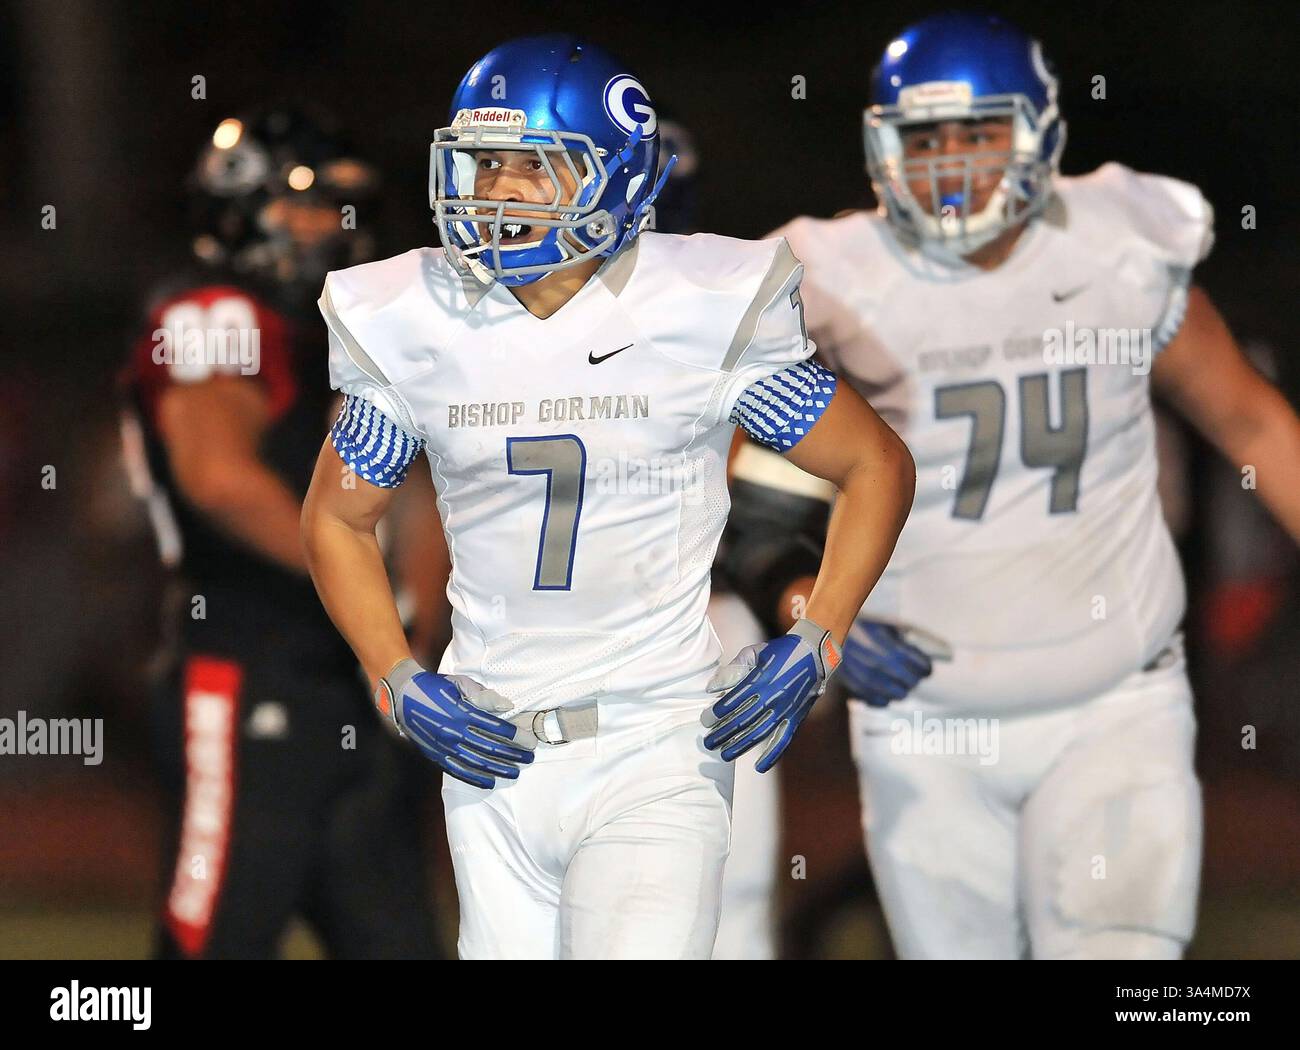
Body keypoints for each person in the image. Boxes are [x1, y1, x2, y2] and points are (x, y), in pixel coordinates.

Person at [300, 34, 916, 960]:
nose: (494, 192)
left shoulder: (697, 304)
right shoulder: (419, 319)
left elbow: (875, 465)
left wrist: (819, 633)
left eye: (531, 168)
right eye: (484, 165)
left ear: (617, 179)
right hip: (491, 757)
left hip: (654, 747)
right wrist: (394, 676)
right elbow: (339, 517)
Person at [772, 11, 1300, 959]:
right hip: (924, 713)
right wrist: (804, 592)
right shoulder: (832, 273)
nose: (950, 164)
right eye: (924, 139)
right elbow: (733, 468)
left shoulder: (1118, 245)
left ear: (1041, 135)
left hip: (1113, 703)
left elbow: (1252, 422)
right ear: (880, 144)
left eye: (977, 134)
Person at [121, 107, 441, 959]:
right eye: (304, 203)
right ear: (238, 206)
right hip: (245, 661)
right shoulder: (215, 313)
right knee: (215, 937)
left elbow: (420, 500)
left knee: (399, 942)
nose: (331, 226)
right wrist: (375, 587)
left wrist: (414, 640)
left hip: (360, 675)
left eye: (340, 204)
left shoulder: (347, 331)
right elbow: (220, 481)